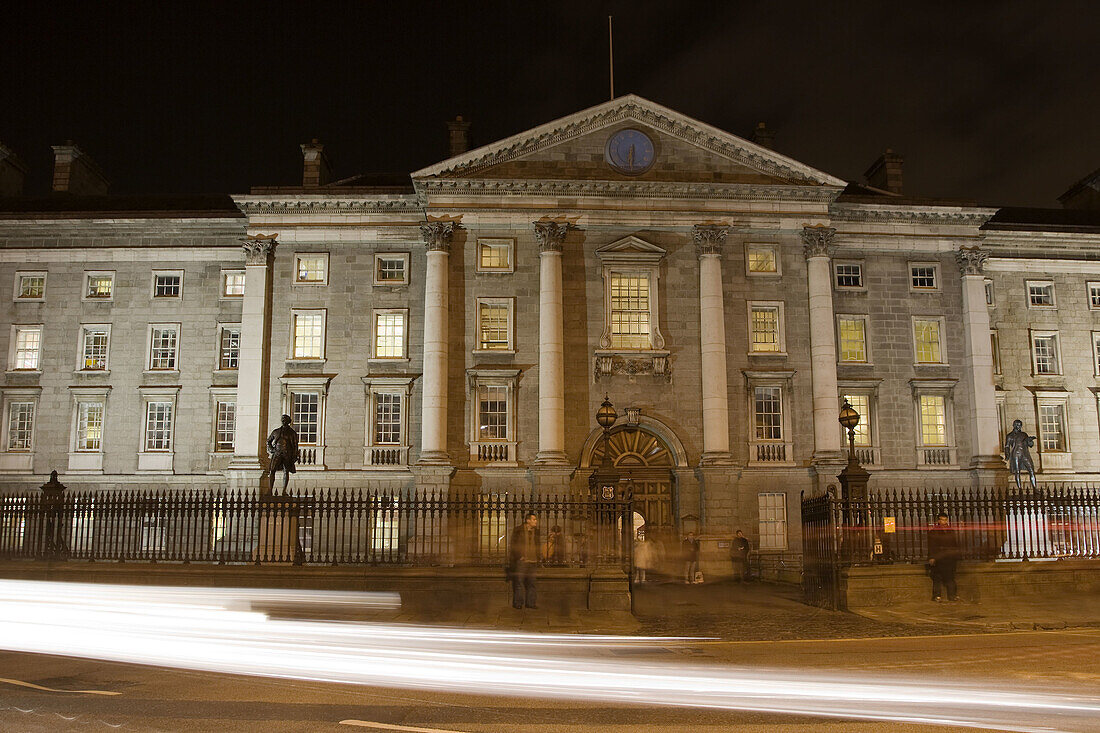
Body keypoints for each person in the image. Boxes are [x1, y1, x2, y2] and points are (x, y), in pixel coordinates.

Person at [508, 513, 540, 609]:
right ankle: (518, 603)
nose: (536, 521)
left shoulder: (536, 531)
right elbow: (514, 544)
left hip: (533, 561)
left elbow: (537, 545)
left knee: (532, 583)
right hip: (522, 561)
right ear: (528, 520)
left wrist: (538, 557)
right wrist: (519, 556)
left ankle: (531, 603)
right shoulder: (518, 530)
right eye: (534, 519)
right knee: (519, 582)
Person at [927, 512, 961, 602]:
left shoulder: (951, 531)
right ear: (938, 520)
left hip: (949, 557)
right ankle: (937, 596)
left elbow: (954, 544)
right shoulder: (934, 532)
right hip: (939, 557)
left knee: (950, 577)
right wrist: (932, 557)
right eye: (942, 519)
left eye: (945, 520)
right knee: (937, 577)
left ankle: (952, 595)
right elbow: (931, 545)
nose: (944, 521)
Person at [265, 414, 299, 495]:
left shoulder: (292, 433)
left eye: (285, 419)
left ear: (288, 421)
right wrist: (271, 449)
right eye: (283, 419)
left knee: (286, 471)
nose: (284, 421)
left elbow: (295, 445)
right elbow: (268, 441)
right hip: (277, 453)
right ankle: (270, 490)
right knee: (272, 470)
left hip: (287, 454)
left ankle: (284, 491)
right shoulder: (276, 431)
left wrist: (294, 455)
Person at [1004, 419, 1038, 492]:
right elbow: (1007, 446)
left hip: (1025, 454)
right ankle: (1020, 489)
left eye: (1019, 425)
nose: (1018, 427)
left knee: (1031, 470)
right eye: (1017, 425)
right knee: (1017, 472)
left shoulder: (1024, 434)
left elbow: (1030, 445)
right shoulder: (1010, 436)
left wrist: (1030, 441)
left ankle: (1035, 488)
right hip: (1015, 454)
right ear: (1014, 425)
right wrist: (1007, 455)